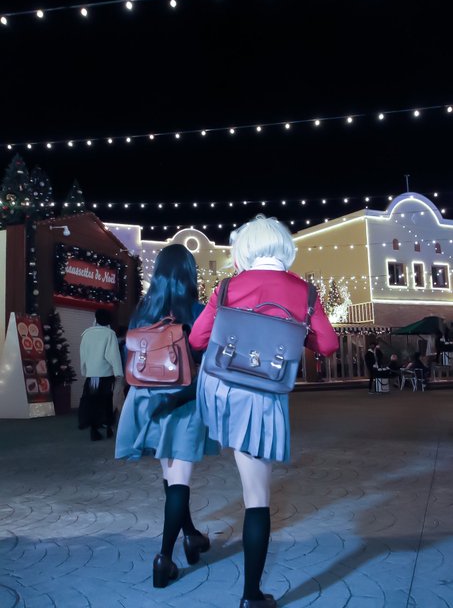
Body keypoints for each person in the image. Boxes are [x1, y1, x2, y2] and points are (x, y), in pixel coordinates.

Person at [189, 214, 339, 608]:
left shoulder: (228, 287)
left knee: (239, 466)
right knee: (257, 495)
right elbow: (328, 344)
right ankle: (251, 596)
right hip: (262, 395)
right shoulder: (304, 291)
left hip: (221, 391)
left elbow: (198, 339)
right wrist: (296, 331)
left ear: (245, 249)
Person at [114, 243, 219, 589]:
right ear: (189, 274)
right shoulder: (197, 311)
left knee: (171, 477)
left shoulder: (143, 311)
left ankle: (191, 537)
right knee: (180, 480)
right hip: (182, 400)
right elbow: (209, 358)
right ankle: (164, 558)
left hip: (148, 401)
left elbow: (131, 356)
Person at [79, 308, 124, 441]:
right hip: (106, 375)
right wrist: (118, 372)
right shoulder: (109, 334)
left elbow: (83, 354)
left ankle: (94, 429)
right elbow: (113, 355)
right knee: (107, 400)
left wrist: (84, 370)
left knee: (92, 401)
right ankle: (108, 427)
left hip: (92, 375)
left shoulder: (86, 334)